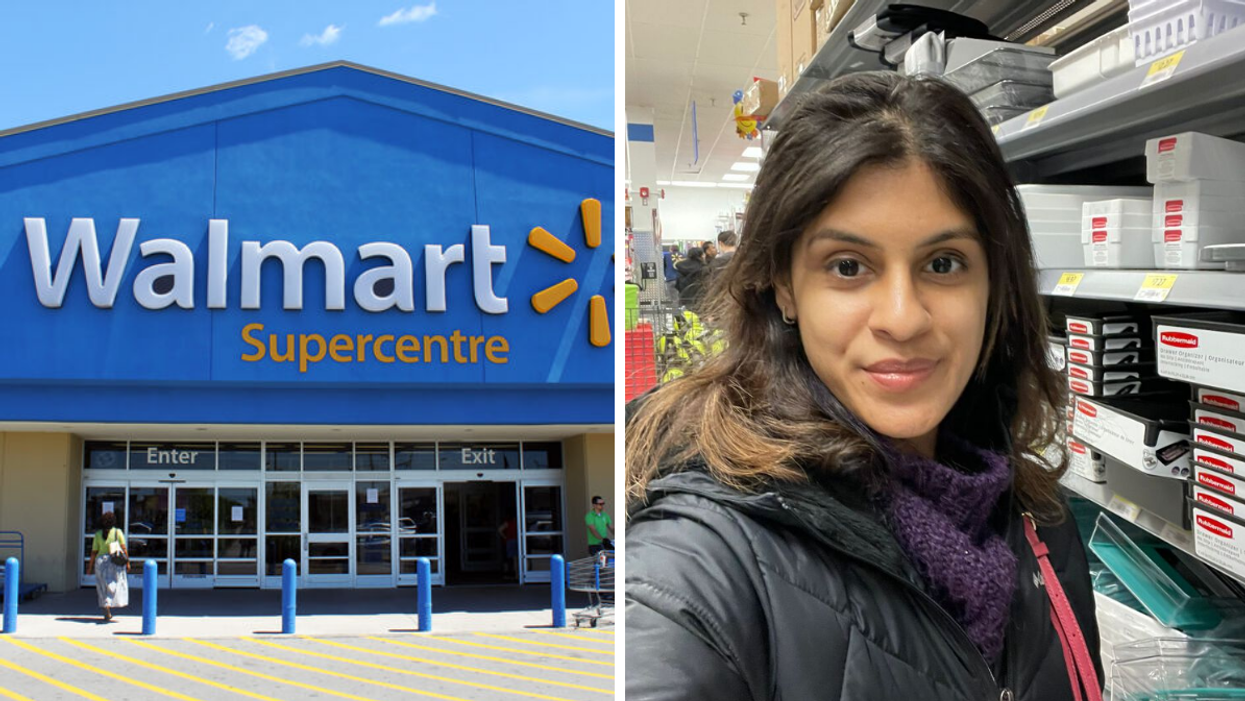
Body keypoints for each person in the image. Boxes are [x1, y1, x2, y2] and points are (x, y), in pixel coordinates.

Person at [625, 72, 1100, 701]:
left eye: (943, 263)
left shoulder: (1037, 516)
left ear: (994, 282)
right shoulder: (701, 561)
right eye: (848, 267)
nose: (902, 318)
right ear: (785, 287)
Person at [87, 511, 129, 622]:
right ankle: (109, 602)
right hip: (113, 562)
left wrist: (89, 567)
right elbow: (124, 548)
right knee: (113, 584)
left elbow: (94, 552)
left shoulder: (98, 534)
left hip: (100, 562)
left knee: (102, 587)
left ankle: (106, 607)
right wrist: (128, 562)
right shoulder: (117, 532)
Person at [674, 247, 710, 313]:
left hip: (685, 298)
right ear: (701, 255)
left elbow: (678, 284)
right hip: (700, 299)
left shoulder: (681, 267)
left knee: (688, 318)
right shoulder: (703, 267)